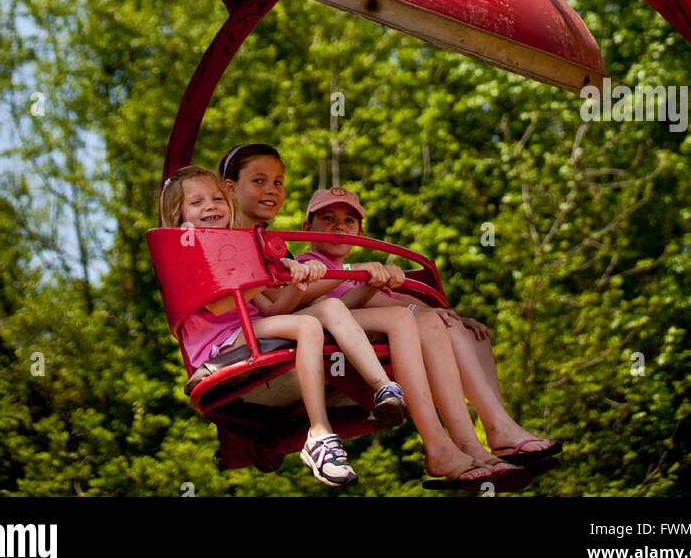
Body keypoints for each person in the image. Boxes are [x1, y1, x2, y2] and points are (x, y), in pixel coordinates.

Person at [218, 145, 531, 490]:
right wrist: (347, 272)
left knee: (415, 319)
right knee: (404, 317)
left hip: (309, 319)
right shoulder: (231, 242)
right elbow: (285, 303)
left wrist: (367, 283)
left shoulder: (274, 247)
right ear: (230, 188)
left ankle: (464, 442)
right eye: (259, 181)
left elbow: (286, 300)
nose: (271, 190)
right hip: (259, 336)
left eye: (277, 182)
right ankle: (439, 437)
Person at [160, 165, 406, 488]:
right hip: (219, 345)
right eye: (197, 202)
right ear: (177, 216)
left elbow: (274, 307)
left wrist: (295, 283)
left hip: (249, 330)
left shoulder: (237, 249)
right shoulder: (186, 250)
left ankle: (382, 387)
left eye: (217, 198)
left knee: (328, 306)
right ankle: (319, 433)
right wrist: (266, 276)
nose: (210, 206)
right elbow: (220, 303)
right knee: (306, 326)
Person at [296, 186, 562, 469]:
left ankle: (497, 427)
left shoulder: (359, 270)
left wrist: (444, 313)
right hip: (351, 336)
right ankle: (465, 444)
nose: (339, 226)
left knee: (468, 331)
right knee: (428, 321)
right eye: (327, 218)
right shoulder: (311, 265)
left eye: (349, 221)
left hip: (383, 324)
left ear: (360, 233)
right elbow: (329, 309)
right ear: (307, 227)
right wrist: (396, 299)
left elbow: (397, 298)